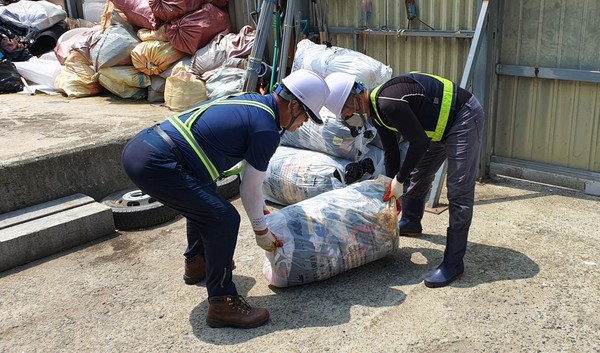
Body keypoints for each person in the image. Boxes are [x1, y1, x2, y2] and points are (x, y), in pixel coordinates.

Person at [121, 69, 330, 328]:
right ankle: (222, 302)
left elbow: (250, 179)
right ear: (295, 104)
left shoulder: (255, 103)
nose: (303, 125)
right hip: (157, 161)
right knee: (223, 218)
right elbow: (250, 187)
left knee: (205, 199)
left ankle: (197, 263)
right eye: (306, 117)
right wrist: (261, 231)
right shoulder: (266, 128)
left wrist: (260, 209)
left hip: (145, 147)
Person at [324, 71, 485, 288]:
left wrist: (400, 180)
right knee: (420, 173)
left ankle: (454, 263)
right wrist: (391, 185)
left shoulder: (388, 103)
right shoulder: (377, 113)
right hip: (439, 128)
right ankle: (411, 221)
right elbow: (392, 152)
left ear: (356, 96)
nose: (347, 116)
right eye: (343, 115)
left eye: (345, 110)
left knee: (458, 190)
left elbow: (418, 142)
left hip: (463, 117)